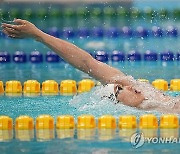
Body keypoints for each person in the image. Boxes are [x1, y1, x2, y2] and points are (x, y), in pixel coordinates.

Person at [1, 19, 180, 113]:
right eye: (121, 89)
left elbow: (87, 62)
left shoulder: (144, 92)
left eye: (126, 86)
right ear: (116, 104)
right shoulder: (146, 112)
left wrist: (39, 35)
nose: (134, 88)